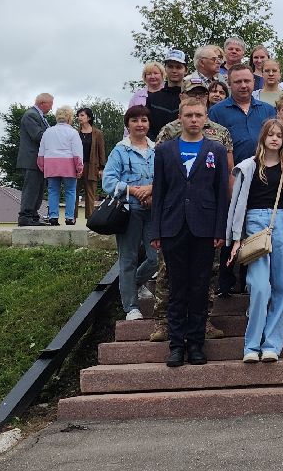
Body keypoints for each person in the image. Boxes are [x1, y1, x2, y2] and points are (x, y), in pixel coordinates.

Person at [150, 96, 230, 368]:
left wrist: (220, 229)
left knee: (199, 287)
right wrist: (156, 230)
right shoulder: (165, 150)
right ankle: (176, 345)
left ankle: (196, 344)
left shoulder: (215, 149)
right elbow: (159, 191)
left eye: (198, 115)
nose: (194, 120)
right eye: (189, 115)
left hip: (204, 227)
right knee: (177, 287)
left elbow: (221, 192)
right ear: (180, 118)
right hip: (173, 226)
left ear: (206, 118)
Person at [226, 118, 283, 362]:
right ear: (263, 137)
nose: (274, 138)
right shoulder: (248, 167)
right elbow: (237, 204)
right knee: (260, 286)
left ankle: (272, 344)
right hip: (254, 223)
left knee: (282, 286)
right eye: (270, 134)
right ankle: (251, 346)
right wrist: (236, 238)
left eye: (279, 135)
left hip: (282, 223)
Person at [102, 105, 160, 321]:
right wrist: (134, 191)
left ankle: (134, 282)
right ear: (128, 124)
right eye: (135, 120)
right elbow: (108, 181)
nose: (140, 124)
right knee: (128, 259)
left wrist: (152, 191)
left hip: (153, 212)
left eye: (144, 120)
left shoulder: (157, 150)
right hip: (129, 212)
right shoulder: (120, 151)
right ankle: (131, 307)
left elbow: (166, 178)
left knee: (156, 258)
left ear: (149, 124)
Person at [207, 62, 277, 163]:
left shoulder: (268, 110)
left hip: (264, 168)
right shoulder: (216, 111)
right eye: (238, 82)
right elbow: (211, 148)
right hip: (231, 170)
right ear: (229, 84)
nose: (243, 85)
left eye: (247, 81)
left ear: (253, 82)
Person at [39, 104, 84, 226]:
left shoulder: (48, 132)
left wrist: (42, 166)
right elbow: (77, 152)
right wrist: (79, 168)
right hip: (68, 165)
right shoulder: (73, 133)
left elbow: (41, 151)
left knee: (53, 191)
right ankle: (69, 217)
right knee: (70, 191)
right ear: (69, 118)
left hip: (51, 164)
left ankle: (53, 217)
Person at [15, 93, 52, 226]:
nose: (51, 108)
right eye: (50, 104)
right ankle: (25, 216)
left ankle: (34, 216)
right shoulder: (31, 115)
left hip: (39, 160)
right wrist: (56, 136)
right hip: (32, 159)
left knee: (39, 189)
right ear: (42, 103)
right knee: (31, 189)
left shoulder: (39, 116)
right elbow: (37, 135)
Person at [74, 107, 107, 222]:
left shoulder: (97, 133)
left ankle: (90, 220)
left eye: (82, 115)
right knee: (73, 192)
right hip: (77, 166)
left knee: (90, 193)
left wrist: (101, 168)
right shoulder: (75, 133)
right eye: (78, 115)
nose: (79, 117)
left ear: (89, 117)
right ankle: (71, 218)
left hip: (92, 166)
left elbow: (101, 151)